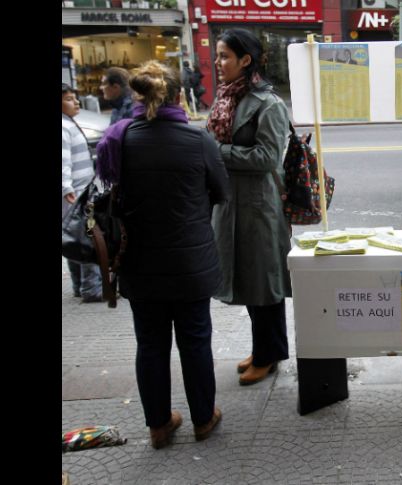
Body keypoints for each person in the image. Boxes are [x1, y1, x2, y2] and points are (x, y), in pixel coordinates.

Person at [96, 60, 229, 449]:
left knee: (150, 343)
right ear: (178, 96)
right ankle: (203, 419)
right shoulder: (198, 140)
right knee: (195, 340)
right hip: (190, 263)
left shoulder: (120, 139)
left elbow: (111, 196)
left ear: (138, 95)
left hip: (140, 262)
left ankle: (158, 426)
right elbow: (221, 191)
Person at [207, 28, 293, 386]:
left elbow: (268, 157)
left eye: (225, 56)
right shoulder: (227, 97)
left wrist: (216, 152)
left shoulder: (268, 103)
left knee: (264, 283)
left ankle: (269, 354)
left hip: (258, 207)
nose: (218, 62)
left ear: (245, 60)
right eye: (217, 55)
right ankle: (262, 349)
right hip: (231, 205)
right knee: (246, 279)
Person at [62, 83, 103, 303]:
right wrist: (67, 188)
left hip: (79, 189)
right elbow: (63, 161)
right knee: (87, 238)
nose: (76, 102)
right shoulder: (63, 127)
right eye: (69, 99)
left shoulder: (69, 123)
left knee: (74, 236)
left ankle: (79, 285)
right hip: (75, 192)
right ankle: (91, 287)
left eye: (75, 98)